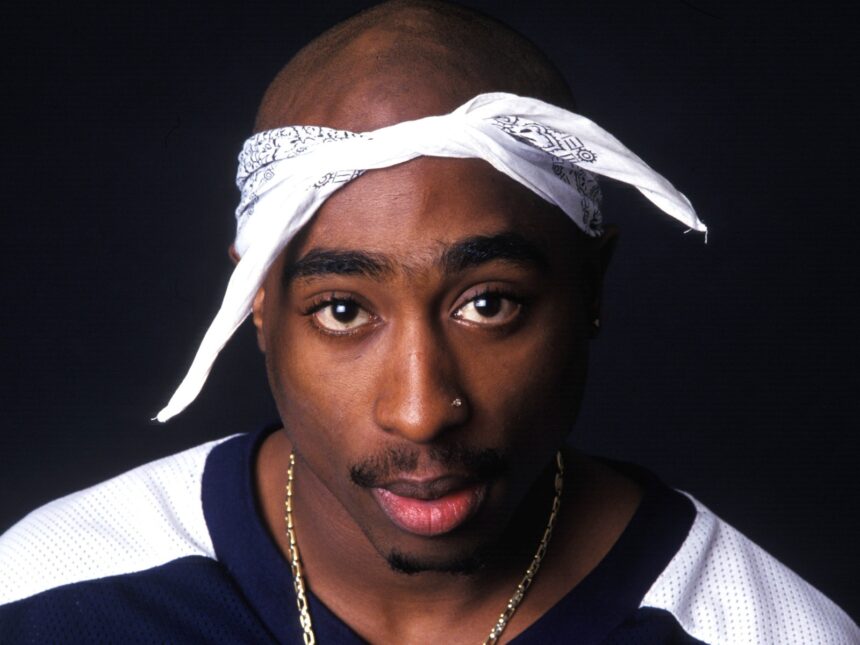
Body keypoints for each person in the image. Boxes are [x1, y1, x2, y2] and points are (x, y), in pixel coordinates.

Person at [0, 1, 857, 642]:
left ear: (590, 286)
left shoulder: (762, 628)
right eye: (343, 309)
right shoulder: (48, 593)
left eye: (488, 303)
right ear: (259, 301)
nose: (420, 411)